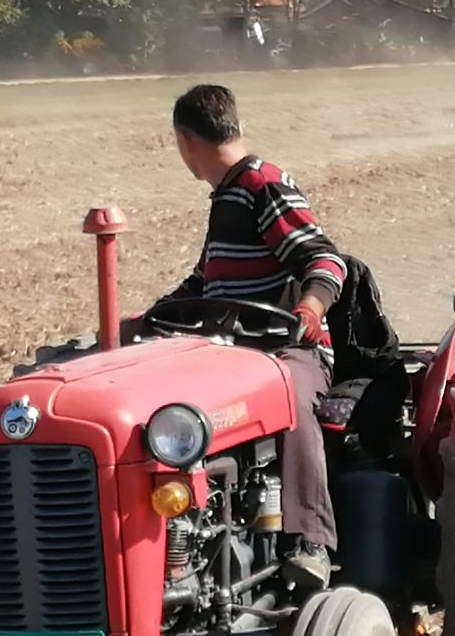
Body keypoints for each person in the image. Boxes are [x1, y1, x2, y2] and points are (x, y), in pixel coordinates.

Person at [132, 84, 344, 590]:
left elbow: (323, 258)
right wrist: (145, 321)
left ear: (185, 141)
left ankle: (309, 540)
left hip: (287, 350)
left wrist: (310, 307)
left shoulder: (261, 184)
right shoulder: (228, 195)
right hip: (229, 358)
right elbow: (203, 284)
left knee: (288, 396)